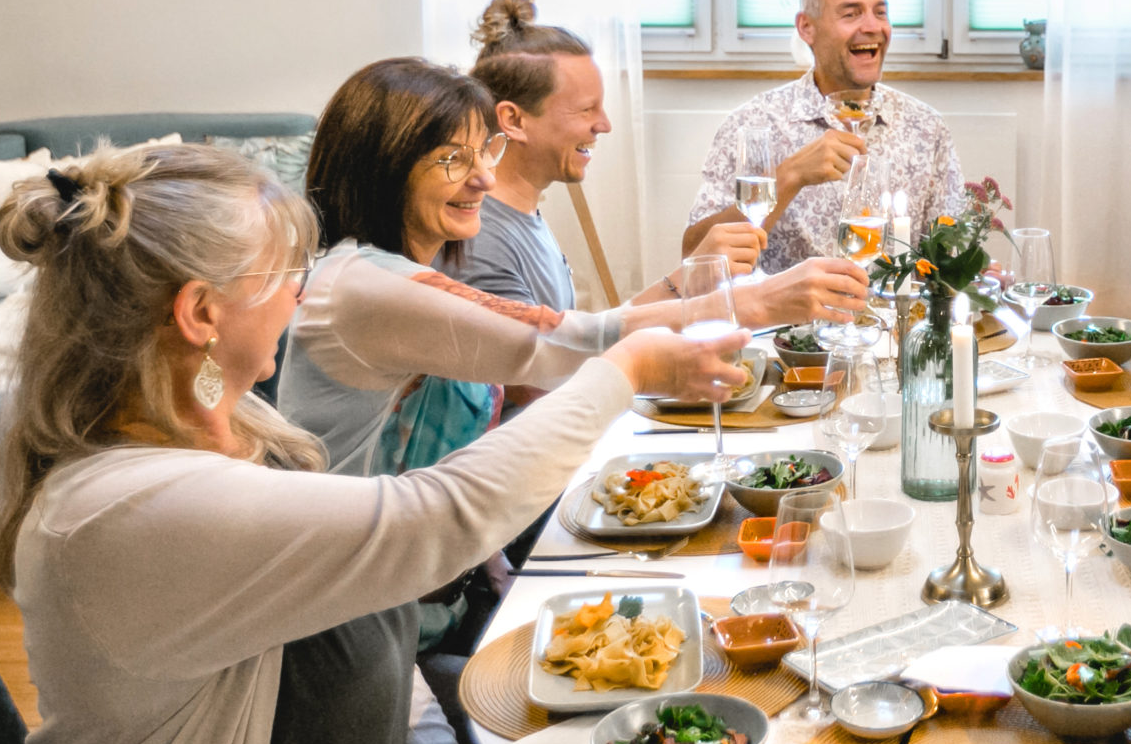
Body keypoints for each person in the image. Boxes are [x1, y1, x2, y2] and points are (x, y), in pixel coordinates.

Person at [0, 143, 743, 744]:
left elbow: (370, 633)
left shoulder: (240, 438)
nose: (299, 294)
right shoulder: (131, 510)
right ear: (199, 312)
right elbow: (436, 518)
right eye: (284, 274)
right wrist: (622, 372)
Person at [281, 56, 867, 482]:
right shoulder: (361, 285)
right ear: (384, 168)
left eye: (483, 151)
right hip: (374, 600)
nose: (483, 177)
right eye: (452, 159)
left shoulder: (381, 270)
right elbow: (552, 345)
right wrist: (754, 304)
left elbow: (569, 334)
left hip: (441, 578)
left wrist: (689, 286)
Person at [453, 0, 771, 311]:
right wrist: (686, 281)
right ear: (513, 120)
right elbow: (558, 346)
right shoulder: (484, 243)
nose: (604, 125)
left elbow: (578, 334)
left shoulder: (522, 216)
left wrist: (692, 280)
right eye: (586, 109)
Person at [681, 0, 962, 272]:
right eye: (851, 14)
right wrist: (789, 176)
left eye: (880, 12)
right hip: (787, 306)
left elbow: (950, 260)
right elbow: (694, 259)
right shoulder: (753, 124)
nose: (872, 27)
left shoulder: (927, 128)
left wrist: (974, 273)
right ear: (806, 28)